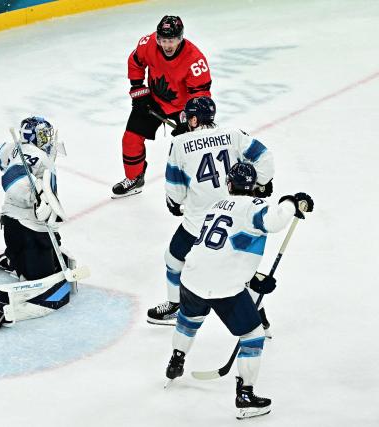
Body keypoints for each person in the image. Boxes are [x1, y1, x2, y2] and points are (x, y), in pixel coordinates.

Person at [164, 162, 314, 419]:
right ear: (254, 186)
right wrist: (291, 201)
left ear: (229, 184)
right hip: (225, 288)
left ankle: (176, 360)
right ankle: (245, 394)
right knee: (253, 336)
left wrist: (254, 279)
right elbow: (274, 222)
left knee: (189, 320)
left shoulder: (216, 205)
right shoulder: (254, 207)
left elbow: (223, 250)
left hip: (191, 277)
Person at [146, 97, 275, 329]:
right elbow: (265, 157)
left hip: (200, 222)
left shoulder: (180, 143)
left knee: (174, 258)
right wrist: (260, 183)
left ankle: (175, 306)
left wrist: (174, 203)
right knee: (237, 271)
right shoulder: (233, 134)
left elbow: (175, 189)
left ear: (194, 119)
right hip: (237, 217)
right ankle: (260, 319)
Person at [0, 116, 77, 329]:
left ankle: (15, 259)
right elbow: (11, 179)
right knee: (54, 284)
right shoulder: (33, 154)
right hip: (28, 230)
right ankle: (1, 305)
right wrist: (33, 195)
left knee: (56, 256)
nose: (48, 140)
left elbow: (2, 153)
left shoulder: (16, 148)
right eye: (43, 135)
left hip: (14, 225)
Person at [112, 15, 212, 198]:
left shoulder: (195, 59)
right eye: (163, 40)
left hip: (184, 108)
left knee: (194, 147)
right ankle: (134, 178)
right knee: (131, 139)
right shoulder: (148, 43)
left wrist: (191, 118)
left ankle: (203, 184)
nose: (166, 45)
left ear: (180, 38)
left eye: (171, 40)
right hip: (154, 100)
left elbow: (200, 94)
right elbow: (135, 62)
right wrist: (138, 90)